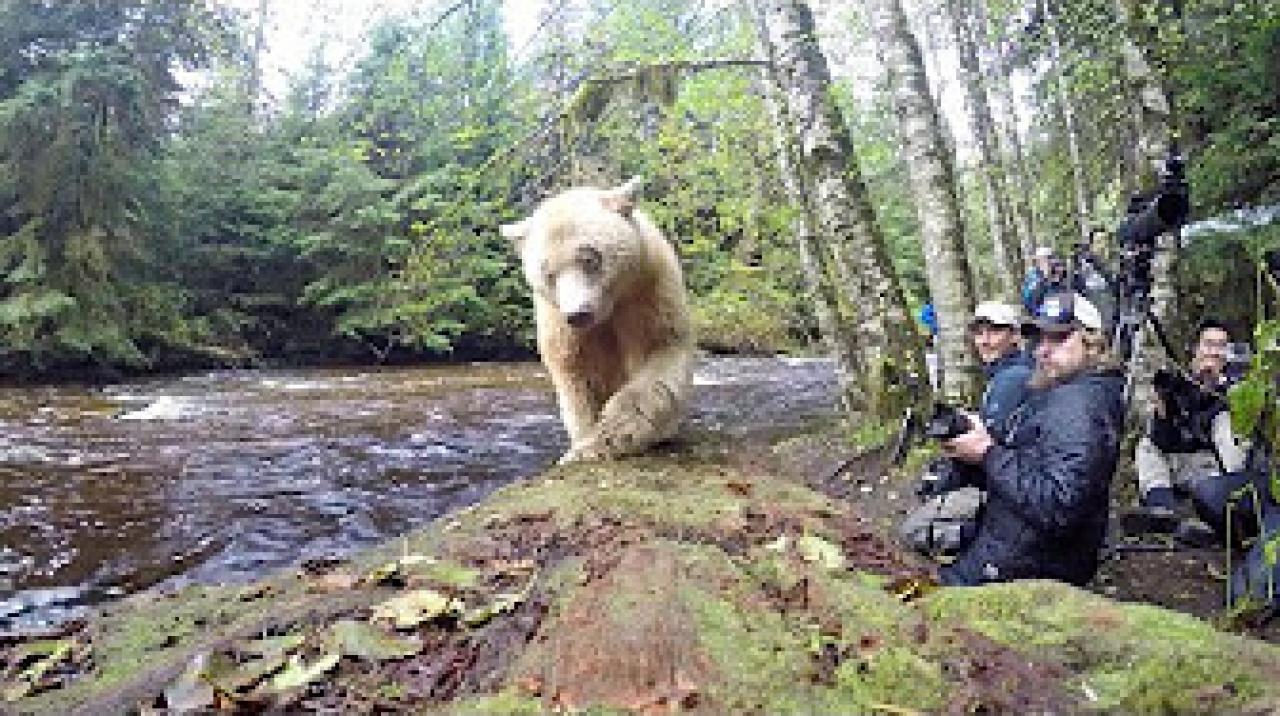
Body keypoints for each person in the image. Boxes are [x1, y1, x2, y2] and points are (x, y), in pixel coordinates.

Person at [936, 292, 1124, 586]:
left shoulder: (1079, 406)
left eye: (1059, 339)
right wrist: (973, 450)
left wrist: (987, 453)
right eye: (1040, 339)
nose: (1043, 351)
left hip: (1027, 569)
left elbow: (1059, 508)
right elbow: (1031, 467)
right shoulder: (1062, 392)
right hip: (1011, 549)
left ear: (1093, 343)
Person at [899, 301, 1034, 554]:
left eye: (994, 332)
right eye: (979, 332)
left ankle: (984, 538)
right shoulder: (1008, 372)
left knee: (912, 531)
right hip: (1012, 480)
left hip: (1011, 491)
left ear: (1014, 335)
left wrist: (963, 442)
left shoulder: (1012, 378)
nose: (984, 341)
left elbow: (994, 445)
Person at [1126, 320, 1247, 543]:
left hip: (1213, 471)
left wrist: (1215, 387)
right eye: (1208, 344)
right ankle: (1162, 509)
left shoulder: (1237, 384)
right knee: (1147, 445)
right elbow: (1163, 441)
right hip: (1179, 462)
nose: (1214, 352)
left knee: (1226, 422)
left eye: (1221, 346)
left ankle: (1234, 509)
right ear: (1196, 349)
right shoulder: (1178, 379)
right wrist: (1163, 411)